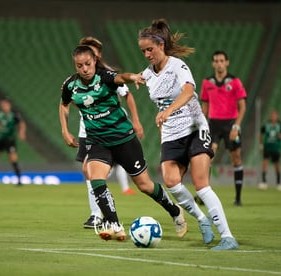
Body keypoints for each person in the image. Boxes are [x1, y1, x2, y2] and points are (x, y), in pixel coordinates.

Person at [59, 45, 186, 241]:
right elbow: (64, 104)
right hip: (97, 140)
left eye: (88, 64)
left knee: (145, 185)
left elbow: (121, 78)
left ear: (94, 61)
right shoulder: (70, 85)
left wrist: (133, 77)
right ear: (75, 66)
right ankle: (114, 224)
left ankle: (174, 211)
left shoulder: (104, 77)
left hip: (123, 139)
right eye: (79, 65)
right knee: (96, 178)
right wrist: (65, 130)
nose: (85, 69)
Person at [138, 19, 238, 250]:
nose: (146, 54)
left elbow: (188, 90)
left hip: (195, 128)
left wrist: (169, 110)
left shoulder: (177, 66)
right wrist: (128, 79)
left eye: (150, 49)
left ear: (161, 45)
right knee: (171, 182)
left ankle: (227, 237)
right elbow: (132, 78)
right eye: (143, 51)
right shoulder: (148, 74)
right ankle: (202, 220)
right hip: (171, 134)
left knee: (201, 184)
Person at [77, 37, 139, 229]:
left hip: (110, 130)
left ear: (98, 56)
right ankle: (98, 214)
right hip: (86, 129)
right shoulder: (78, 78)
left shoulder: (108, 75)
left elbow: (127, 94)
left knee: (94, 171)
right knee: (88, 172)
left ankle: (101, 213)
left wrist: (135, 121)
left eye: (93, 54)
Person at [200, 50, 247, 206]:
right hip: (213, 124)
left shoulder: (235, 82)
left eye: (222, 60)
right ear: (213, 63)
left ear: (227, 62)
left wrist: (236, 126)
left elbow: (242, 106)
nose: (219, 63)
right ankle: (203, 194)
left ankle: (238, 198)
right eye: (216, 61)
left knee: (236, 158)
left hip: (230, 124)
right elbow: (204, 108)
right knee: (208, 157)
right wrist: (200, 124)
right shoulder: (207, 82)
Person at [258, 109, 281, 191]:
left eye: (275, 115)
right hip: (267, 147)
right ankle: (264, 182)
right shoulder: (266, 125)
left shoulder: (280, 125)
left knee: (277, 165)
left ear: (277, 116)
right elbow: (260, 134)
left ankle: (278, 183)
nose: (273, 117)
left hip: (276, 148)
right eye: (272, 115)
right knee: (264, 163)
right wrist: (261, 145)